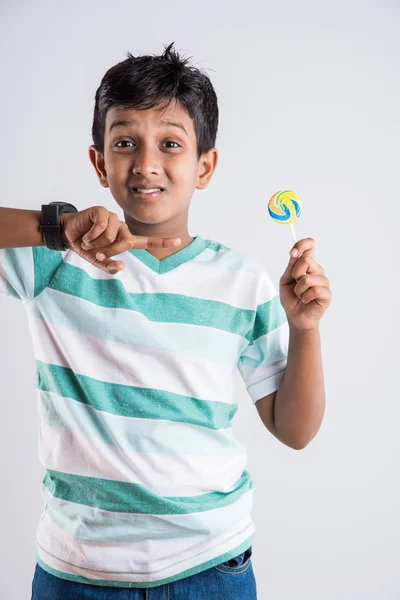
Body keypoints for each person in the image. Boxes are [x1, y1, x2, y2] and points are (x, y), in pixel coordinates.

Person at [0, 42, 332, 599]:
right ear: (99, 163)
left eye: (171, 144)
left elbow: (294, 431)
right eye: (125, 142)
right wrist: (55, 228)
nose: (147, 163)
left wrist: (305, 329)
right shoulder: (55, 258)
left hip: (212, 567)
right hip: (77, 573)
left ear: (205, 165)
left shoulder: (241, 281)